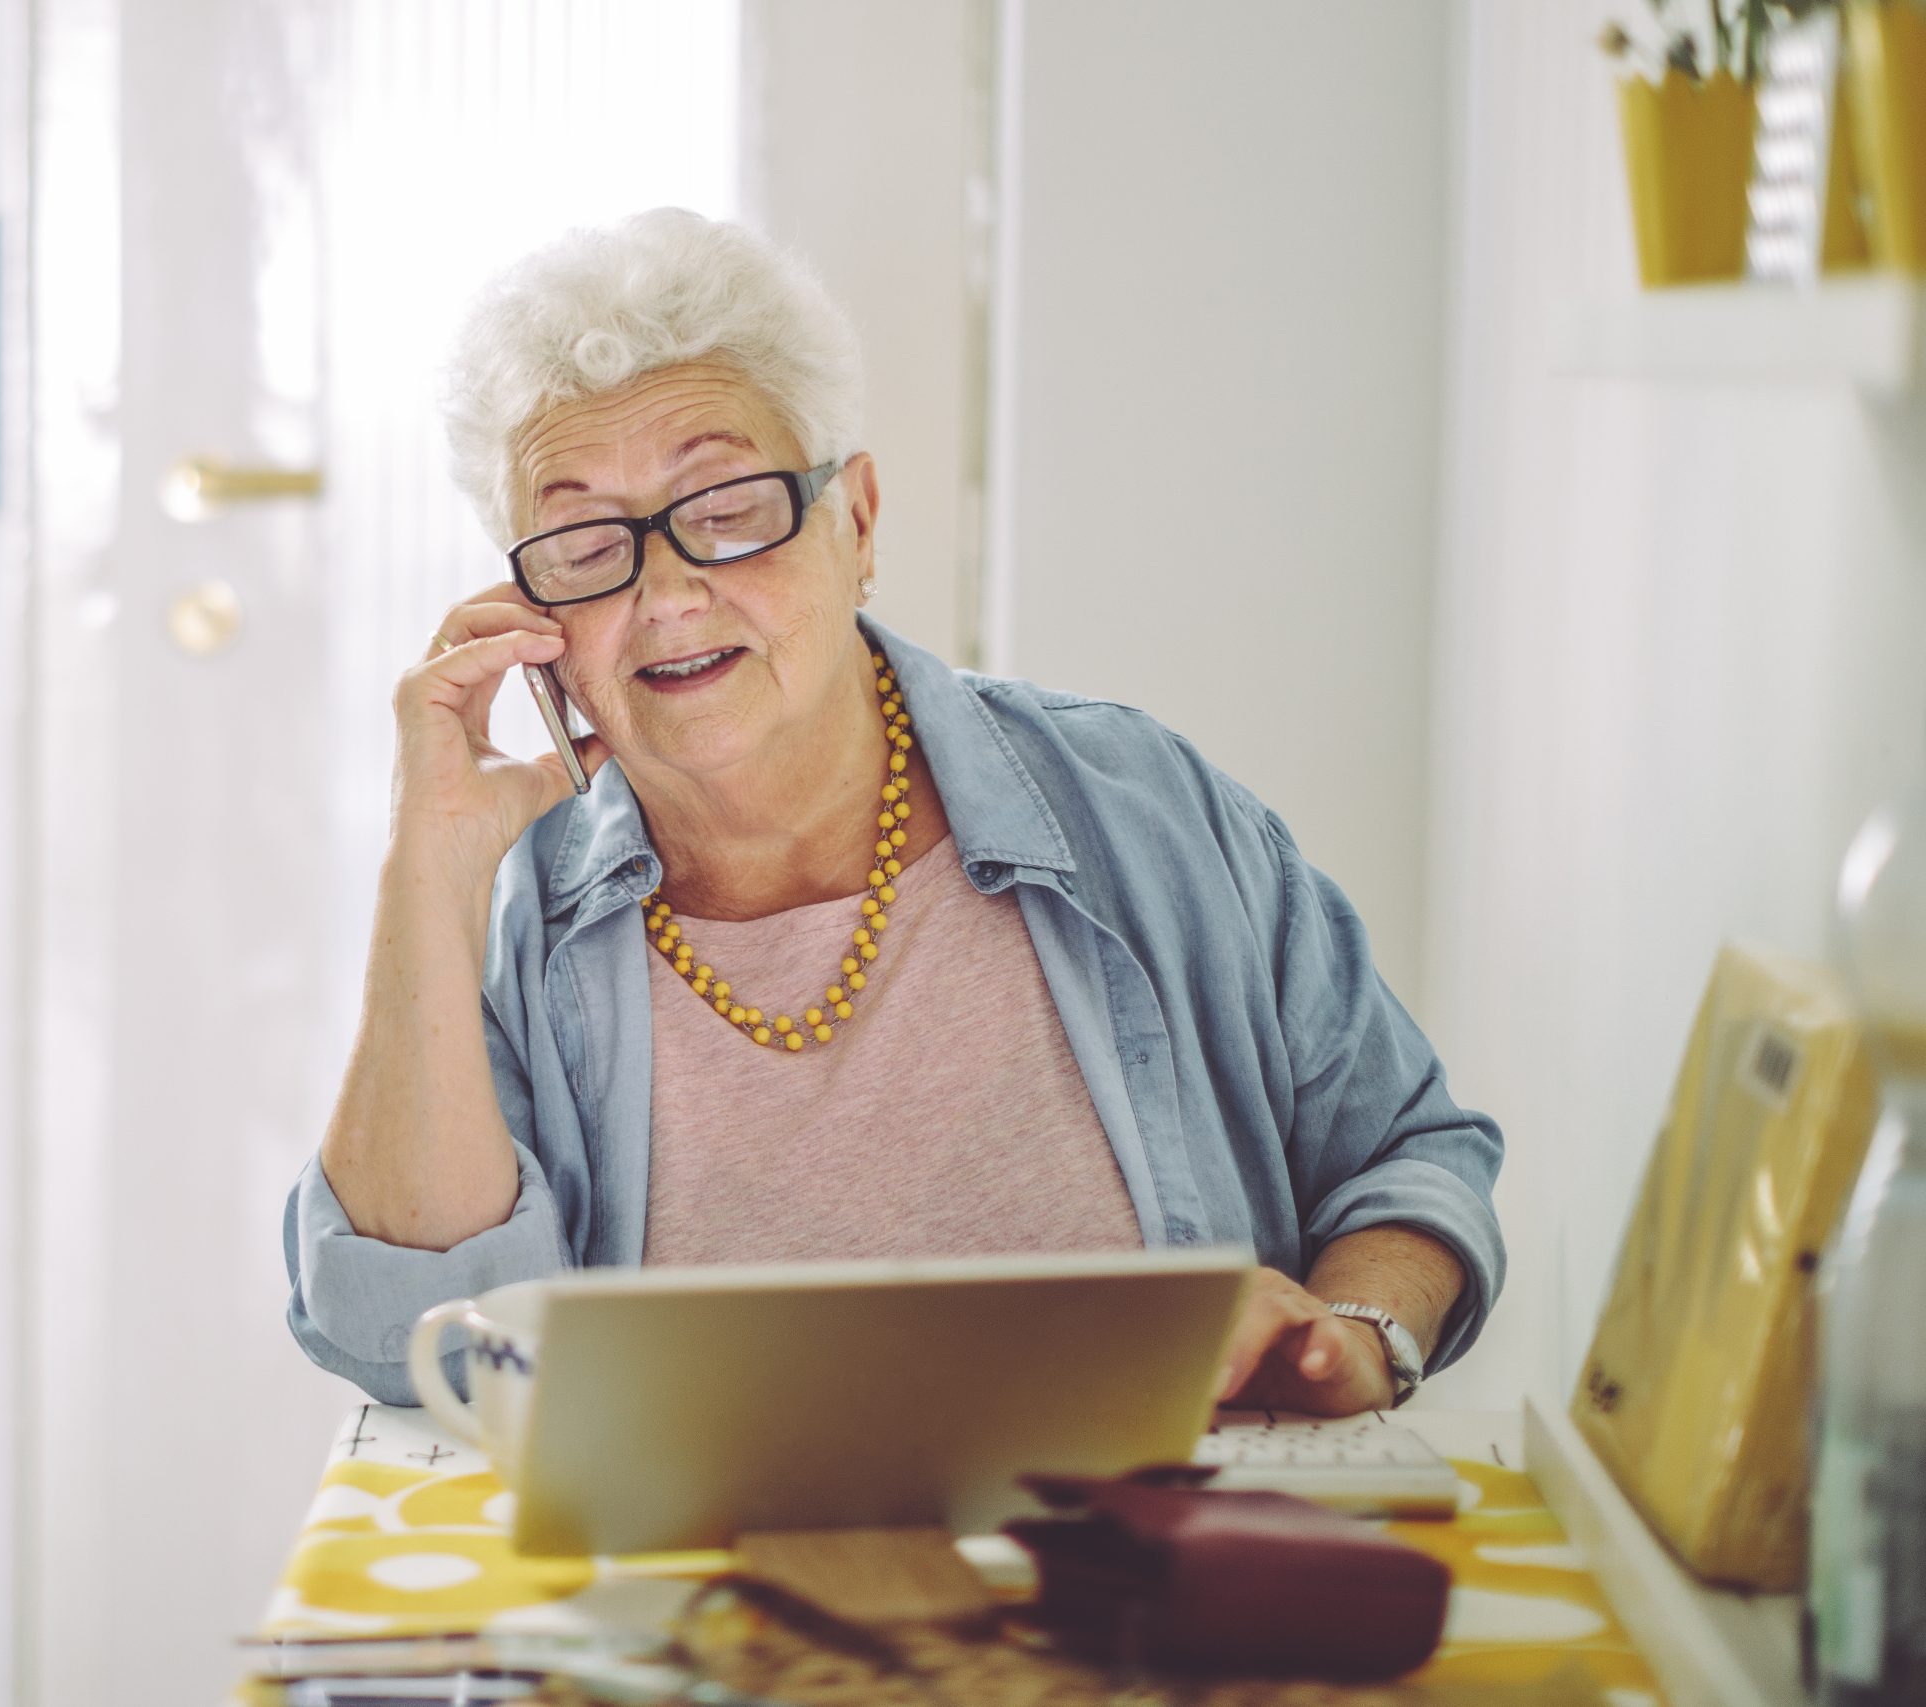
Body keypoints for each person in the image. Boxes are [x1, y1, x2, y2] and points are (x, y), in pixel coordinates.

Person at [284, 208, 1503, 1414]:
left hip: (1147, 1570)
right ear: (534, 610)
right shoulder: (531, 912)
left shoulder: (1139, 806)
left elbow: (1406, 1158)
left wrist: (1355, 1334)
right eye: (586, 545)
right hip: (714, 1589)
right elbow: (405, 1335)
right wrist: (427, 865)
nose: (664, 594)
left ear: (854, 523)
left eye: (725, 511)